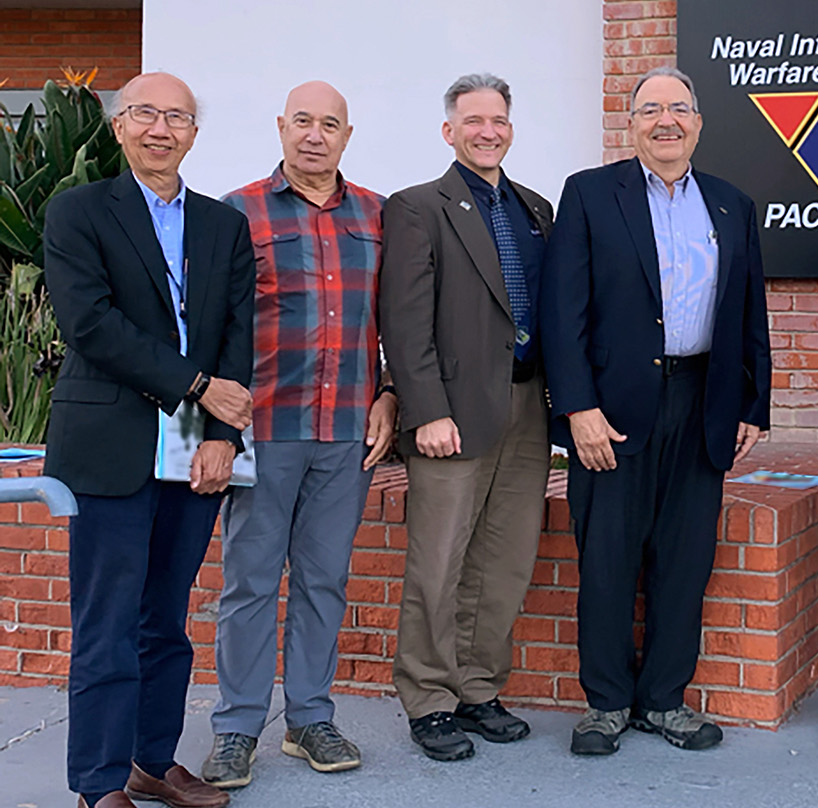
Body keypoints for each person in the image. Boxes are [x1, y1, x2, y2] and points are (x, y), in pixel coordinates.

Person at [540, 66, 770, 756]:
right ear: (631, 123)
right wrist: (576, 407)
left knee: (684, 560)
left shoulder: (731, 203)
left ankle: (665, 701)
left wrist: (752, 403)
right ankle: (607, 704)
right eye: (651, 110)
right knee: (606, 559)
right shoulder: (588, 195)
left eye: (679, 109)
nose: (665, 121)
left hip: (703, 403)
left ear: (698, 122)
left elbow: (747, 310)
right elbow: (562, 313)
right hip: (613, 409)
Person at [43, 72, 254, 808]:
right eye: (145, 114)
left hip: (197, 452)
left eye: (177, 117)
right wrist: (197, 388)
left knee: (166, 619)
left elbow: (236, 337)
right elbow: (91, 325)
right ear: (119, 125)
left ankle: (151, 762)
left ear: (194, 132)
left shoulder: (223, 225)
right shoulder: (77, 213)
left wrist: (224, 432)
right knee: (108, 623)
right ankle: (99, 785)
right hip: (109, 443)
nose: (160, 128)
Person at [200, 81, 395, 788]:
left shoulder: (377, 215)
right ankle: (237, 728)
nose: (316, 135)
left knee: (324, 580)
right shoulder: (237, 212)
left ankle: (310, 716)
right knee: (250, 583)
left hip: (347, 431)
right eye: (303, 122)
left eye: (331, 125)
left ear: (349, 134)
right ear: (281, 127)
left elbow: (397, 316)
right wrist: (214, 425)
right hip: (265, 429)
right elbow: (212, 324)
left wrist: (393, 393)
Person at [379, 73, 553, 762]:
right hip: (450, 413)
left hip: (526, 405)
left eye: (499, 120)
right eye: (474, 120)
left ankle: (478, 687)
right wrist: (425, 410)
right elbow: (404, 318)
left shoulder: (536, 208)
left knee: (503, 561)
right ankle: (429, 699)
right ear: (449, 130)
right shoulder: (418, 207)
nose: (488, 131)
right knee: (439, 564)